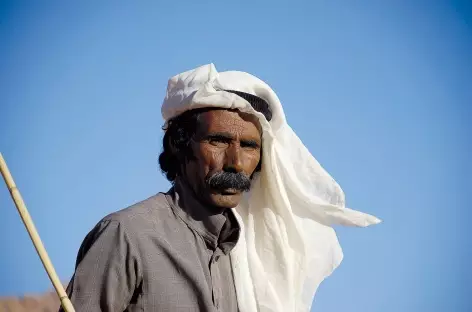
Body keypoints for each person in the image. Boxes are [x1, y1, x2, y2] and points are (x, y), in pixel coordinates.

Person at [60, 64, 380, 312]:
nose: (235, 162)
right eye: (218, 141)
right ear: (181, 145)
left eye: (250, 146)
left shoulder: (253, 253)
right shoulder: (128, 234)